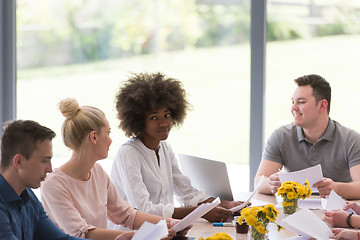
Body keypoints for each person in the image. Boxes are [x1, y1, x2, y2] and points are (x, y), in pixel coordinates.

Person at [109, 72, 243, 231]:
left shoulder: (165, 148)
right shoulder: (129, 154)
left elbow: (186, 192)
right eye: (154, 118)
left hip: (164, 230)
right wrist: (200, 212)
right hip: (132, 234)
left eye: (167, 115)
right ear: (137, 120)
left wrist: (223, 204)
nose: (163, 123)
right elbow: (143, 209)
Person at [40, 98, 189, 240]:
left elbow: (126, 215)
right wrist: (136, 236)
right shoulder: (53, 184)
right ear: (94, 137)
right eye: (108, 133)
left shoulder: (97, 172)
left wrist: (169, 223)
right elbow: (80, 233)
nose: (111, 140)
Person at [255, 74, 360, 199]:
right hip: (294, 213)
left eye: (301, 102)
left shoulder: (351, 139)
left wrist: (335, 188)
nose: (293, 108)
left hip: (338, 214)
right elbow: (259, 181)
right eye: (293, 102)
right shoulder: (281, 136)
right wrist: (272, 183)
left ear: (322, 105)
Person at [0, 119, 88, 240]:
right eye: (45, 160)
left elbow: (60, 239)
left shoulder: (28, 196)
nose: (50, 169)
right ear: (19, 161)